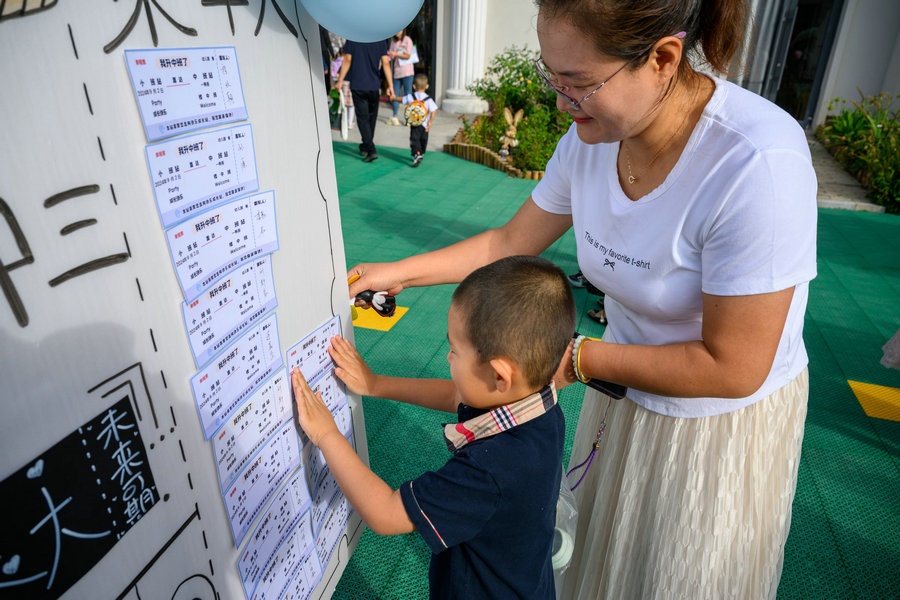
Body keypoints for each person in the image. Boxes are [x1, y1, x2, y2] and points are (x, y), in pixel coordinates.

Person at [345, 0, 818, 598]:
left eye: (579, 83)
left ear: (663, 58)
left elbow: (735, 366)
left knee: (675, 575)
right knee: (601, 565)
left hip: (712, 423)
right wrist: (399, 273)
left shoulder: (756, 161)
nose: (561, 103)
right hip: (617, 383)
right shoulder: (591, 139)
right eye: (551, 76)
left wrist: (576, 359)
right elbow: (510, 243)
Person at [292, 255, 574, 598]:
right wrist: (376, 384)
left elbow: (386, 513)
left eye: (454, 350)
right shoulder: (541, 404)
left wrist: (326, 434)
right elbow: (457, 395)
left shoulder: (488, 473)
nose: (447, 357)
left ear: (500, 376)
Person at [334, 38, 393, 162]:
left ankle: (370, 149)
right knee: (371, 118)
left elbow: (347, 60)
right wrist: (390, 86)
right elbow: (386, 63)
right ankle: (365, 145)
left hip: (358, 84)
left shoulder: (353, 38)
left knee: (363, 119)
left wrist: (340, 80)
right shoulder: (380, 40)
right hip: (374, 85)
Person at [389, 73, 438, 167]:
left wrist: (393, 98)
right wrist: (430, 123)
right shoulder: (428, 99)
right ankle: (420, 153)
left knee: (414, 140)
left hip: (415, 123)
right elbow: (433, 111)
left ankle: (417, 154)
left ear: (414, 86)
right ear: (427, 86)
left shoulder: (411, 96)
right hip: (424, 125)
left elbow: (401, 99)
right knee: (423, 140)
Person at [387, 29, 415, 126]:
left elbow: (408, 56)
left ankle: (409, 118)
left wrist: (395, 54)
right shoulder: (393, 42)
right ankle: (394, 116)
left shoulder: (407, 40)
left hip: (407, 72)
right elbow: (390, 56)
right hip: (397, 73)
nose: (397, 32)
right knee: (394, 94)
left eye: (400, 30)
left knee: (408, 95)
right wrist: (387, 57)